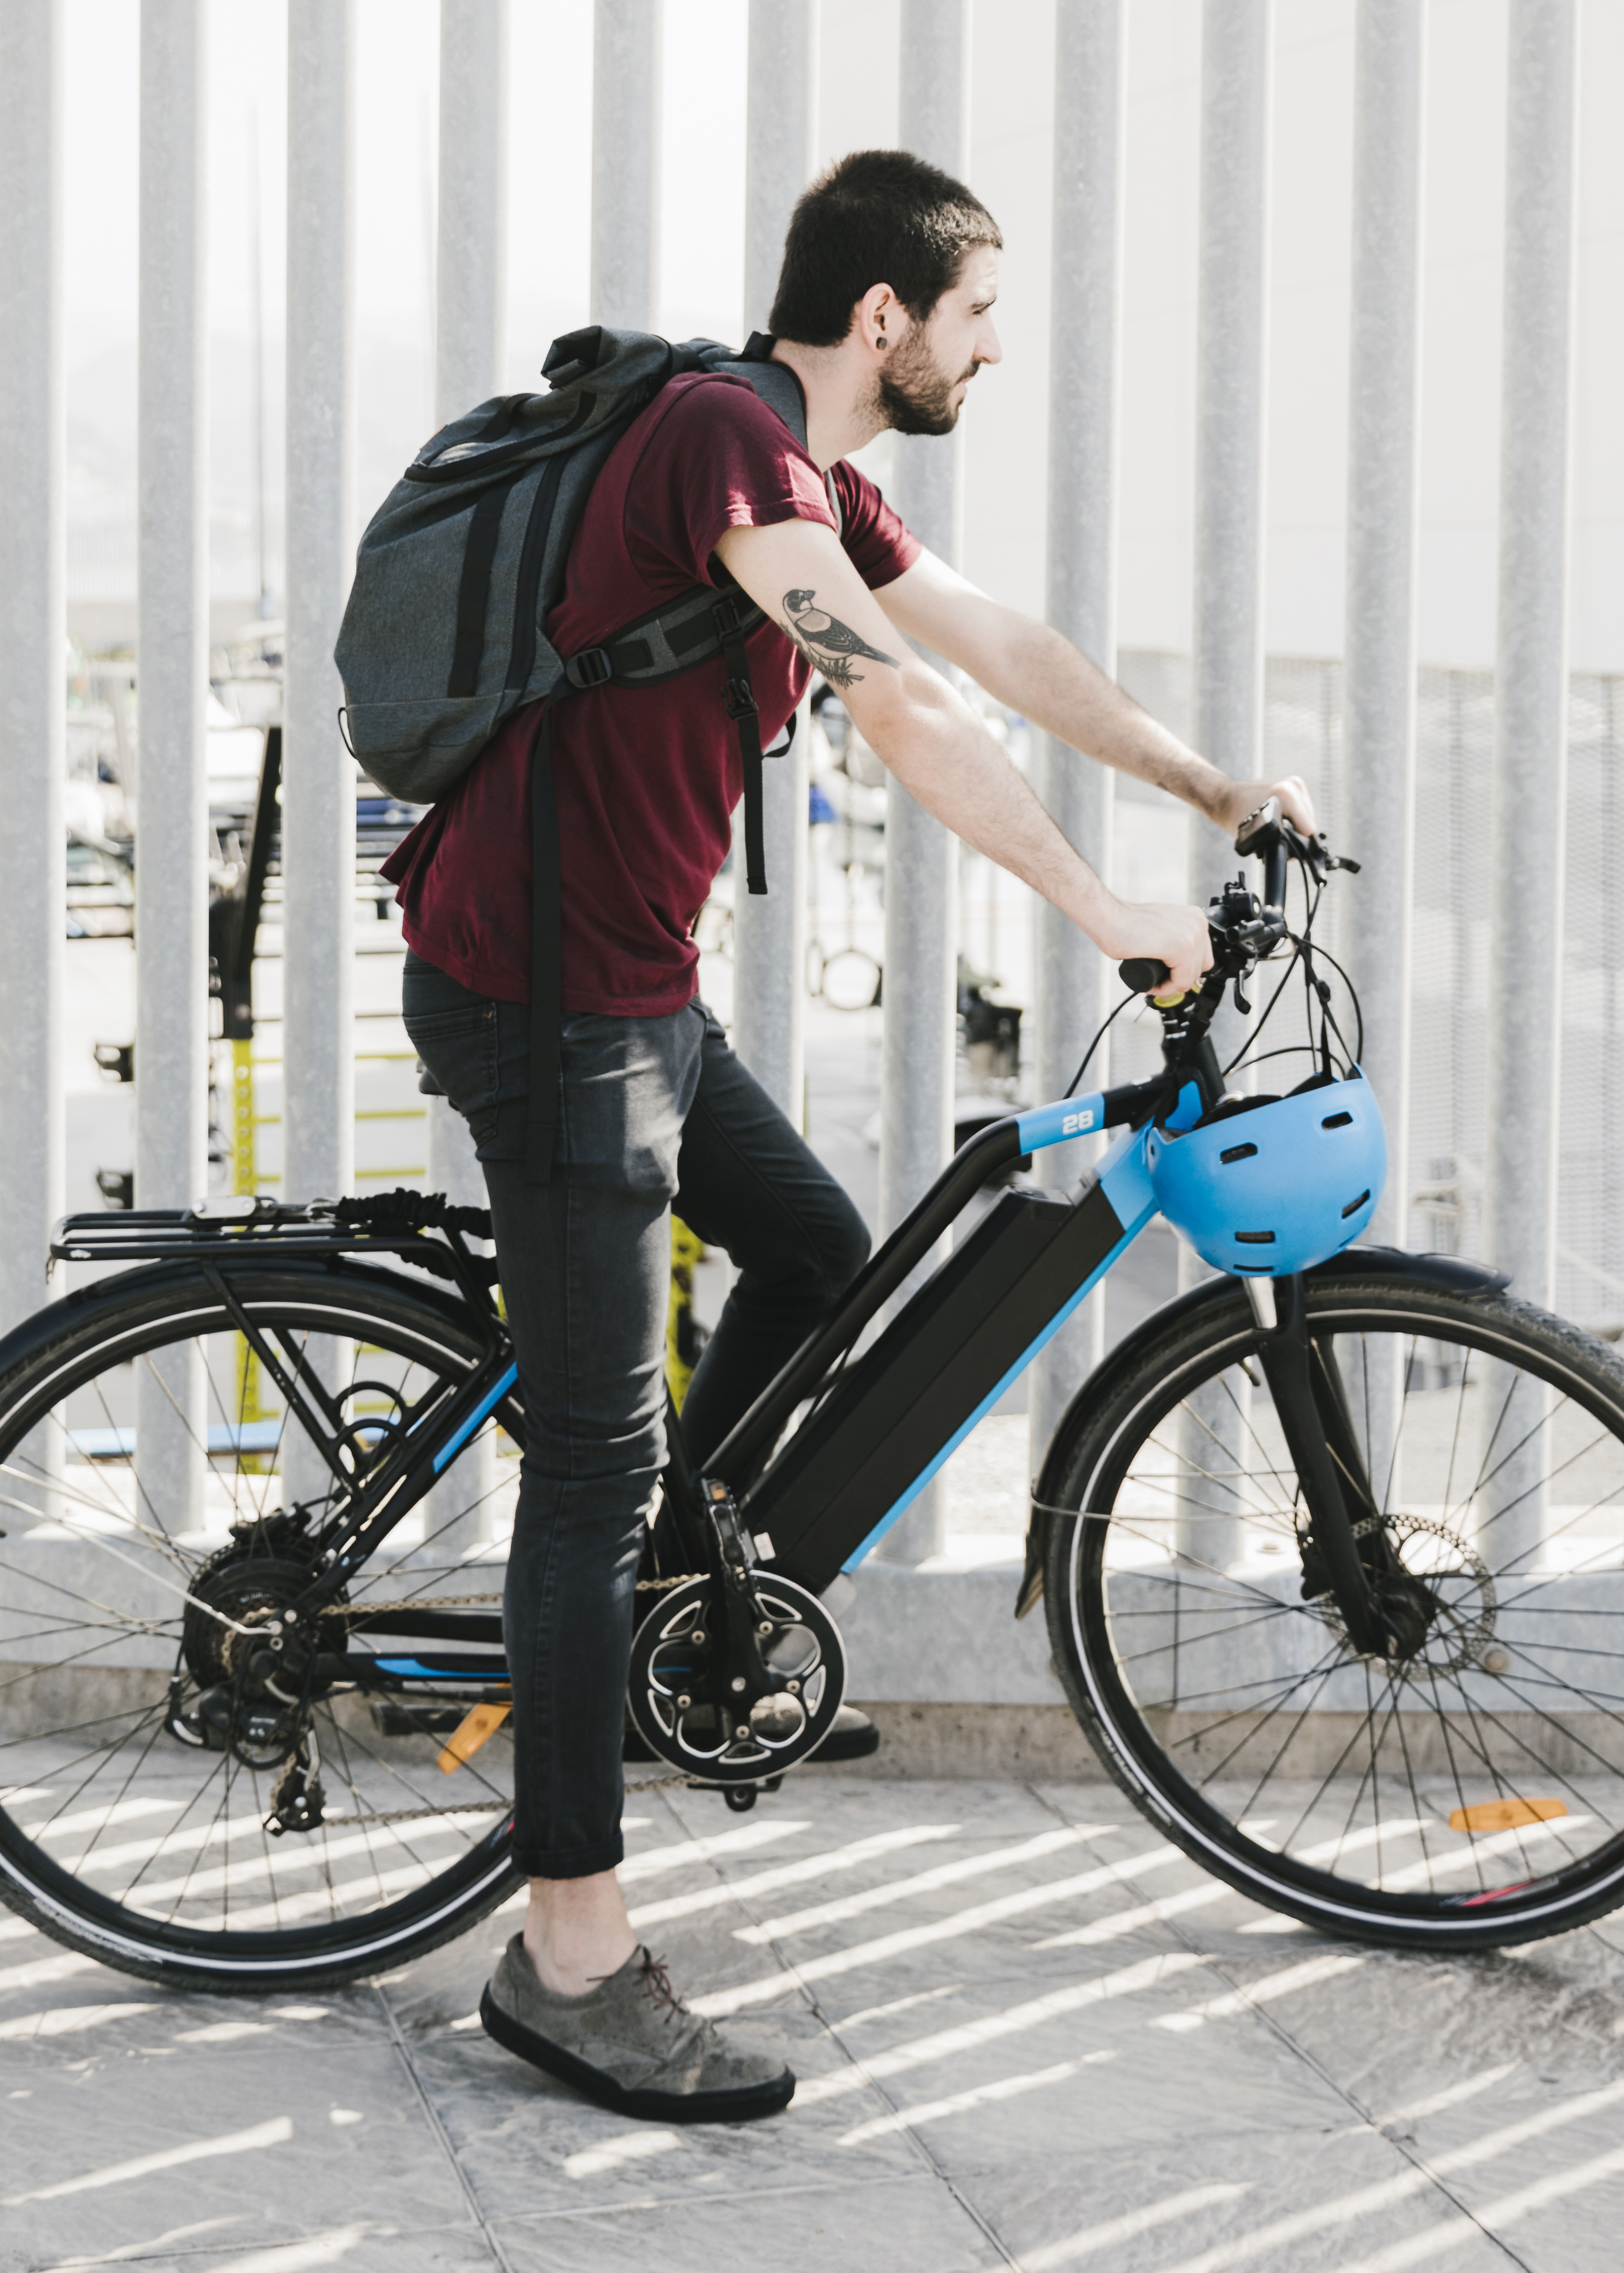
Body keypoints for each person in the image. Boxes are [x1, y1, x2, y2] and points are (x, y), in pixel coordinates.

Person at [383, 148, 1318, 2123]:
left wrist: (1209, 786)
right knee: (587, 1464)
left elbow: (992, 642)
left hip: (621, 993)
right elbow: (893, 702)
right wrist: (1102, 909)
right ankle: (569, 1958)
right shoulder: (722, 441)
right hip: (549, 1007)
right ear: (883, 320)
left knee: (812, 1256)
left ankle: (656, 1612)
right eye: (977, 316)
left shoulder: (805, 473)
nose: (991, 350)